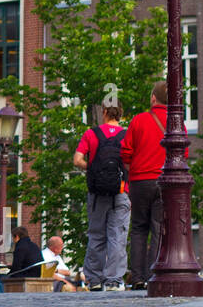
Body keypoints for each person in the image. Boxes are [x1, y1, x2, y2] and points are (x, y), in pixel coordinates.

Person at [122, 81, 186, 291]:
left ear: (153, 98)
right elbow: (183, 153)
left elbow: (125, 152)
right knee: (159, 228)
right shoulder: (176, 123)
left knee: (139, 228)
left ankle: (137, 277)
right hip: (164, 182)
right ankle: (153, 274)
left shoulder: (138, 120)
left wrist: (132, 171)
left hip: (140, 181)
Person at [74, 102, 130, 291]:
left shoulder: (91, 133)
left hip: (97, 193)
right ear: (121, 114)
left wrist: (93, 168)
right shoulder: (126, 135)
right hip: (120, 192)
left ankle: (95, 280)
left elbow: (77, 160)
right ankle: (114, 280)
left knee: (96, 235)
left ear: (104, 112)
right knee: (117, 236)